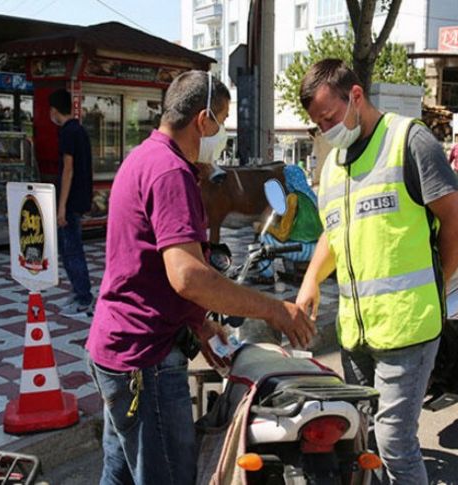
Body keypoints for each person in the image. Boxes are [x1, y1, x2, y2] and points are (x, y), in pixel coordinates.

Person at [85, 71, 315, 485]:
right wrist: (276, 310)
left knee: (119, 475)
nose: (222, 132)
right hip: (146, 361)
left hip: (118, 347)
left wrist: (200, 323)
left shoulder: (144, 158)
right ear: (202, 119)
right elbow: (189, 276)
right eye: (222, 120)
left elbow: (149, 267)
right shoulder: (169, 172)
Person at [295, 59, 458, 485]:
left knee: (395, 442)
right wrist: (310, 281)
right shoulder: (334, 164)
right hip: (356, 333)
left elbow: (456, 220)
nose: (326, 130)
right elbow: (332, 233)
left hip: (408, 327)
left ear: (355, 96)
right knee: (363, 434)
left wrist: (437, 284)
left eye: (330, 118)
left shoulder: (409, 141)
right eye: (318, 124)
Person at [48, 89, 94, 316]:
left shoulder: (68, 132)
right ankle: (78, 292)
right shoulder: (80, 130)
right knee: (70, 249)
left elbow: (68, 169)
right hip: (80, 198)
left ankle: (84, 297)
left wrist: (61, 206)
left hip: (71, 201)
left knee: (71, 250)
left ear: (55, 110)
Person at [253, 164, 323, 283]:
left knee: (265, 238)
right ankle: (293, 270)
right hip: (317, 247)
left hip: (302, 250)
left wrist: (262, 227)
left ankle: (266, 275)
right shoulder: (311, 198)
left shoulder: (292, 198)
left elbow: (282, 234)